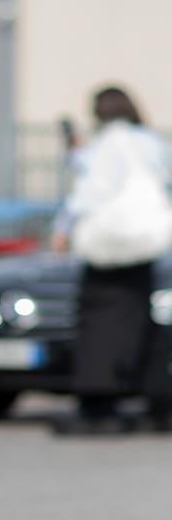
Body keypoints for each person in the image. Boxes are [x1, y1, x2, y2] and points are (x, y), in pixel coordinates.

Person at [51, 85, 172, 435]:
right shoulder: (150, 142)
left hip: (108, 252)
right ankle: (157, 401)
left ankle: (98, 404)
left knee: (99, 326)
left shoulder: (107, 144)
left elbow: (90, 191)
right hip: (145, 247)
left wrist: (62, 228)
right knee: (144, 322)